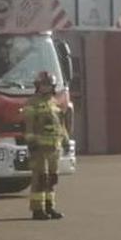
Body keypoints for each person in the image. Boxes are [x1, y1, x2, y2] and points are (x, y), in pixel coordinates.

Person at [22, 70, 71, 220]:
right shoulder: (32, 102)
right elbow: (28, 125)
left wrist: (66, 141)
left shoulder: (55, 102)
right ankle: (38, 209)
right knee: (40, 178)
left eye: (48, 85)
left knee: (52, 178)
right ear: (38, 86)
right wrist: (31, 142)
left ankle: (50, 207)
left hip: (54, 148)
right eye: (43, 85)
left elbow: (61, 125)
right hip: (39, 148)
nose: (46, 87)